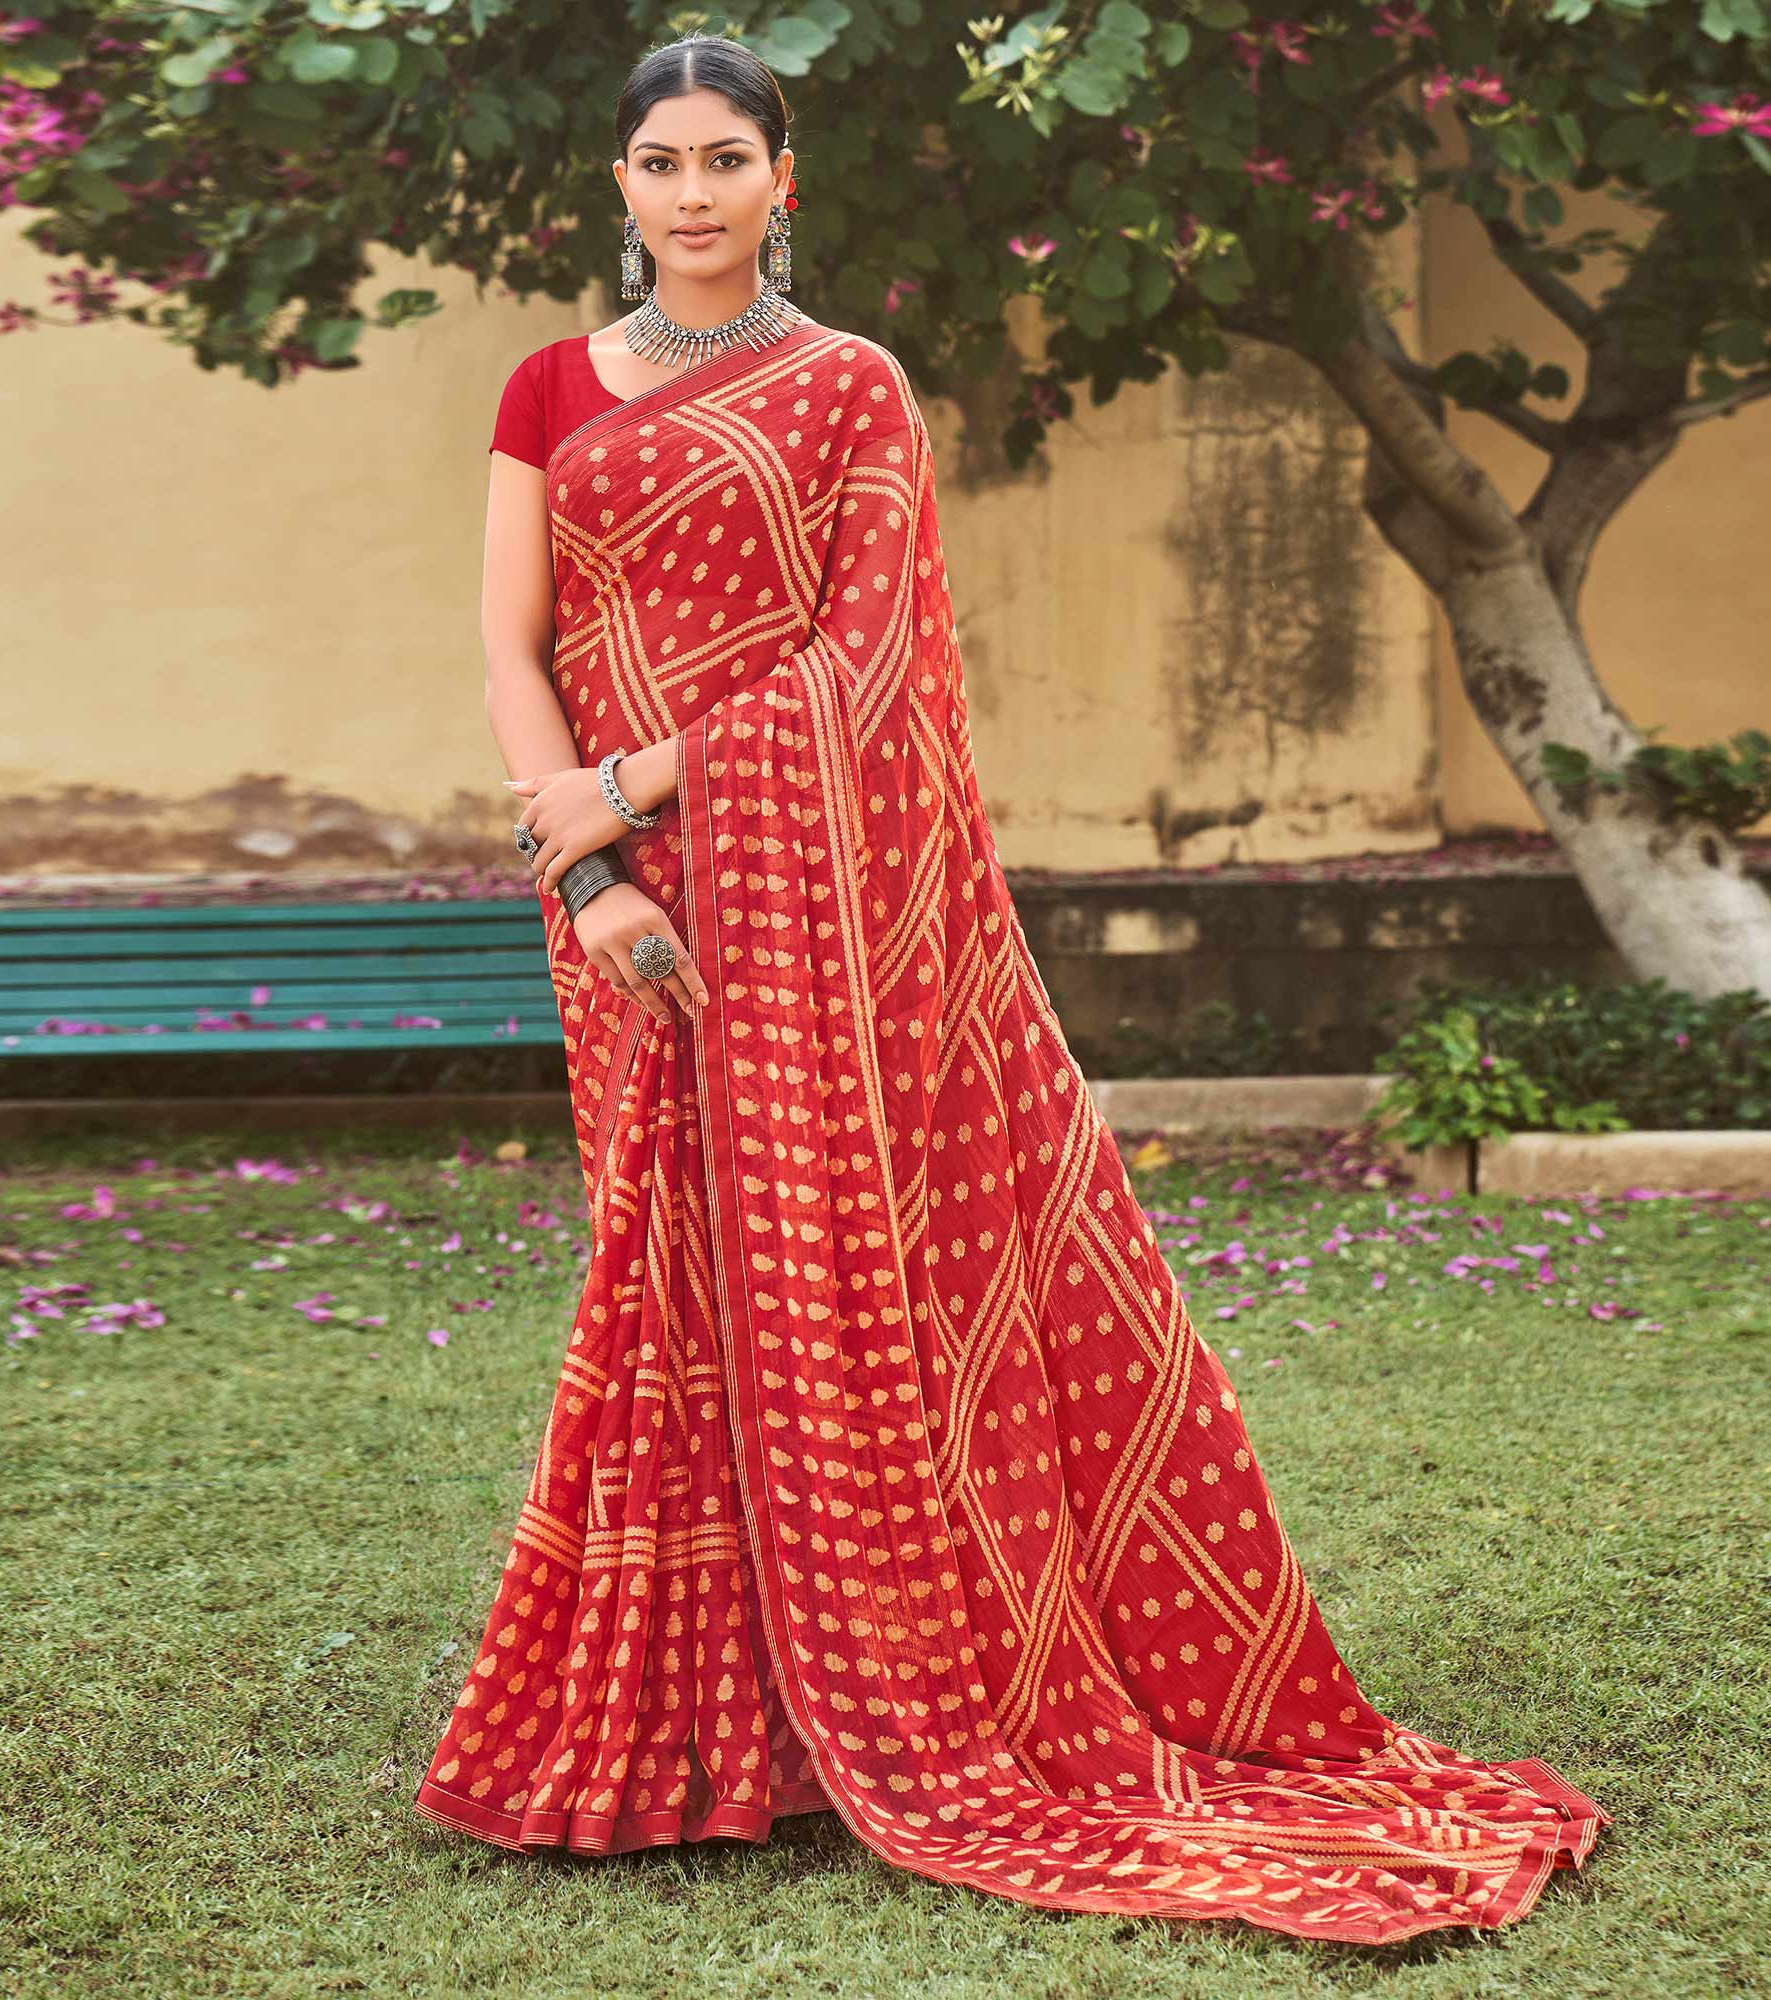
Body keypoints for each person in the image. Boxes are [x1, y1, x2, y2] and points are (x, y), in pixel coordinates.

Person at [413, 30, 1610, 1945]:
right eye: (662, 161)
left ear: (783, 179)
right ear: (620, 188)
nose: (697, 192)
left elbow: (870, 666)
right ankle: (688, 1730)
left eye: (731, 157)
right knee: (668, 1267)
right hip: (615, 897)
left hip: (809, 893)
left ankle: (872, 1705)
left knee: (830, 1262)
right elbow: (508, 638)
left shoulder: (851, 388)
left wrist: (633, 788)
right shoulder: (551, 384)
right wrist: (588, 861)